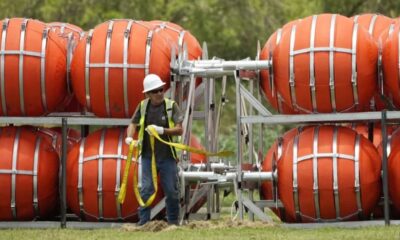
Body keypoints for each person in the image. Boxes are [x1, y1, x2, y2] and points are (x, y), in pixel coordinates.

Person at [125, 74, 183, 226]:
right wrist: (129, 138)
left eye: (161, 90)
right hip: (147, 156)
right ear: (148, 94)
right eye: (155, 91)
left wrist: (162, 131)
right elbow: (133, 123)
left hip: (167, 157)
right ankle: (143, 223)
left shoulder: (171, 106)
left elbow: (179, 130)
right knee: (146, 190)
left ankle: (173, 223)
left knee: (171, 191)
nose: (159, 93)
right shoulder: (143, 106)